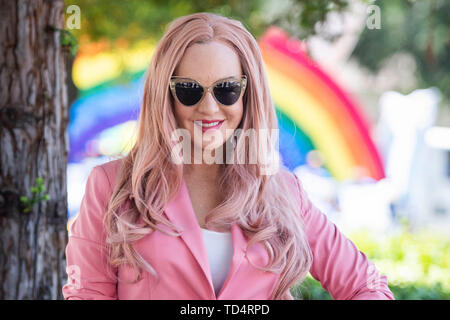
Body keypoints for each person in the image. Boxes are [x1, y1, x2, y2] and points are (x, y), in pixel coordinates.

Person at [62, 12, 394, 300]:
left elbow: (367, 286)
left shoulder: (282, 191)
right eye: (189, 90)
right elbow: (86, 293)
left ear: (248, 95)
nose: (209, 107)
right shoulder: (112, 186)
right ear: (166, 95)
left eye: (227, 90)